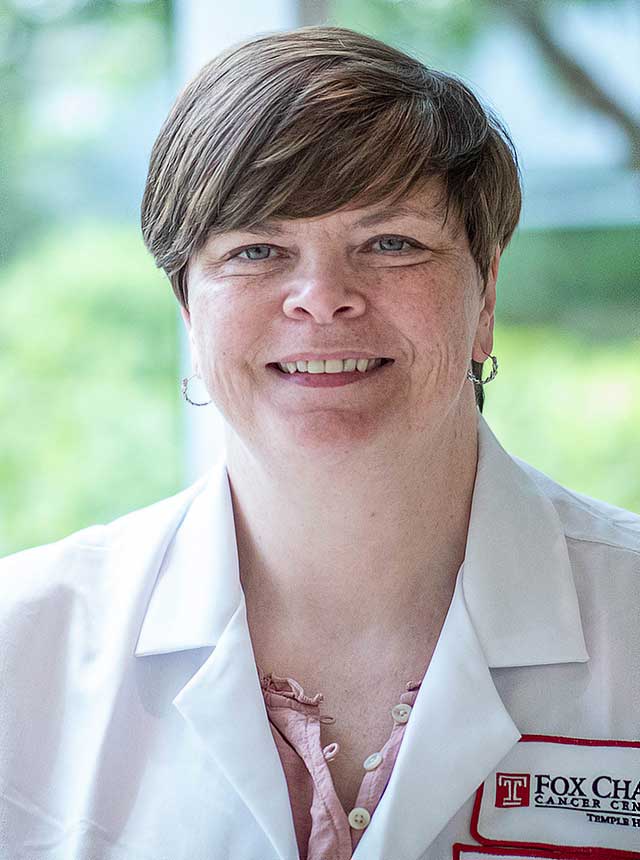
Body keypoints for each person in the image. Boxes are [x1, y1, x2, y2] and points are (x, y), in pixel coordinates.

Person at [1, 25, 638, 860]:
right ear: (190, 314)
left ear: (484, 296)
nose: (322, 298)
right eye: (257, 249)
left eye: (391, 244)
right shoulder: (19, 646)